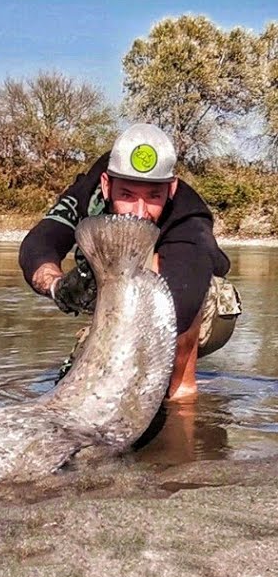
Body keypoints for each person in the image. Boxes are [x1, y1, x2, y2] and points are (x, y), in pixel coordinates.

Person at [18, 123, 240, 402]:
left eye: (154, 196)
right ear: (106, 185)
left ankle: (182, 390)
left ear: (171, 188)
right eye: (127, 195)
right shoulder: (90, 189)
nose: (139, 212)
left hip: (197, 306)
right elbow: (38, 244)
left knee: (186, 312)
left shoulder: (189, 217)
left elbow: (180, 306)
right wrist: (58, 287)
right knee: (78, 387)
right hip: (121, 297)